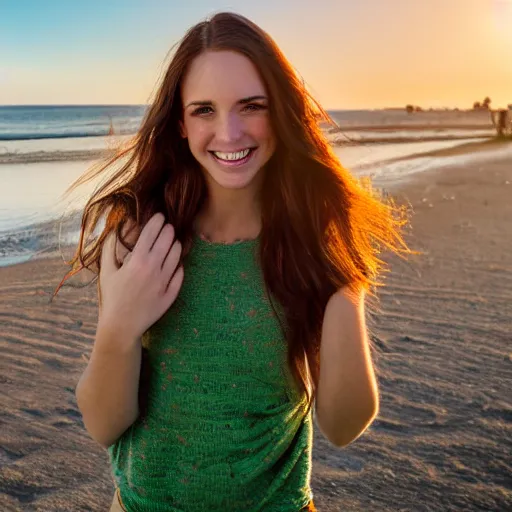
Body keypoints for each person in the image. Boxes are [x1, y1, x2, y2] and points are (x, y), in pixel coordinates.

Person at [54, 11, 410, 512]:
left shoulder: (308, 242)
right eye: (204, 110)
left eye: (252, 105)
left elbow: (345, 424)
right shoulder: (140, 234)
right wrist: (118, 327)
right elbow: (103, 424)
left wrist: (347, 282)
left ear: (281, 112)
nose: (230, 132)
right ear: (179, 123)